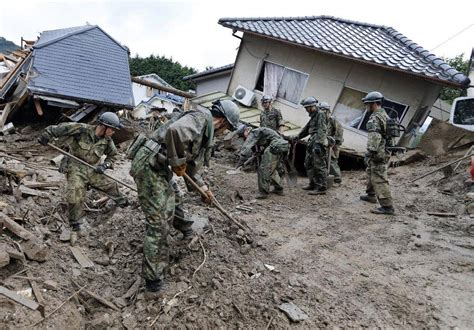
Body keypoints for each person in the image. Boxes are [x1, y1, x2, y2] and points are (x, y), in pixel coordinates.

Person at [128, 99, 240, 298]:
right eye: (227, 129)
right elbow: (176, 132)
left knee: (175, 198)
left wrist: (203, 189)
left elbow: (191, 168)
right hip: (149, 165)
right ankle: (153, 283)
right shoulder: (200, 119)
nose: (224, 133)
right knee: (159, 221)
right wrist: (178, 161)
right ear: (222, 122)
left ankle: (186, 229)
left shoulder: (203, 128)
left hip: (159, 165)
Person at [38, 112, 128, 245]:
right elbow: (59, 128)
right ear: (103, 126)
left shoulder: (107, 141)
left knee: (110, 185)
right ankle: (75, 224)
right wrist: (46, 135)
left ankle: (123, 203)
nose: (113, 132)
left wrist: (104, 165)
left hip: (92, 168)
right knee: (75, 195)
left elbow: (113, 156)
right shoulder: (81, 129)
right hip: (75, 166)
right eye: (112, 129)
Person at [359, 91, 395, 215]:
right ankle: (371, 195)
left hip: (378, 152)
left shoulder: (375, 117)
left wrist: (369, 153)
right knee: (371, 171)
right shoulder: (385, 115)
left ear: (374, 104)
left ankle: (387, 206)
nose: (366, 107)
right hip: (385, 151)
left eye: (368, 104)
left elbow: (375, 138)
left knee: (379, 177)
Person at [237, 125, 289, 199]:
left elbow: (246, 148)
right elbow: (269, 142)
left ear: (246, 130)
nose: (244, 138)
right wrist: (260, 152)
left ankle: (263, 192)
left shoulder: (253, 132)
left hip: (275, 146)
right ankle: (279, 189)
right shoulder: (260, 131)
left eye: (243, 135)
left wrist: (240, 163)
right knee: (272, 170)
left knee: (264, 169)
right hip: (281, 146)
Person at [291, 96, 328, 195]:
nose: (306, 110)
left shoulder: (320, 114)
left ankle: (321, 187)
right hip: (312, 140)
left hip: (317, 141)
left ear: (312, 106)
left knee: (319, 165)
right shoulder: (314, 116)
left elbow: (322, 129)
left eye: (307, 108)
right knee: (309, 163)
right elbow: (307, 129)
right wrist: (298, 137)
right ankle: (312, 183)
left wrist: (318, 144)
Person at [319, 102, 344, 184]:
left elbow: (339, 131)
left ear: (327, 111)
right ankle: (326, 177)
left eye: (323, 111)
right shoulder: (322, 121)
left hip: (334, 144)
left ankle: (337, 179)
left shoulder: (332, 119)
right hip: (326, 144)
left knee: (332, 161)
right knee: (325, 160)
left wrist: (335, 143)